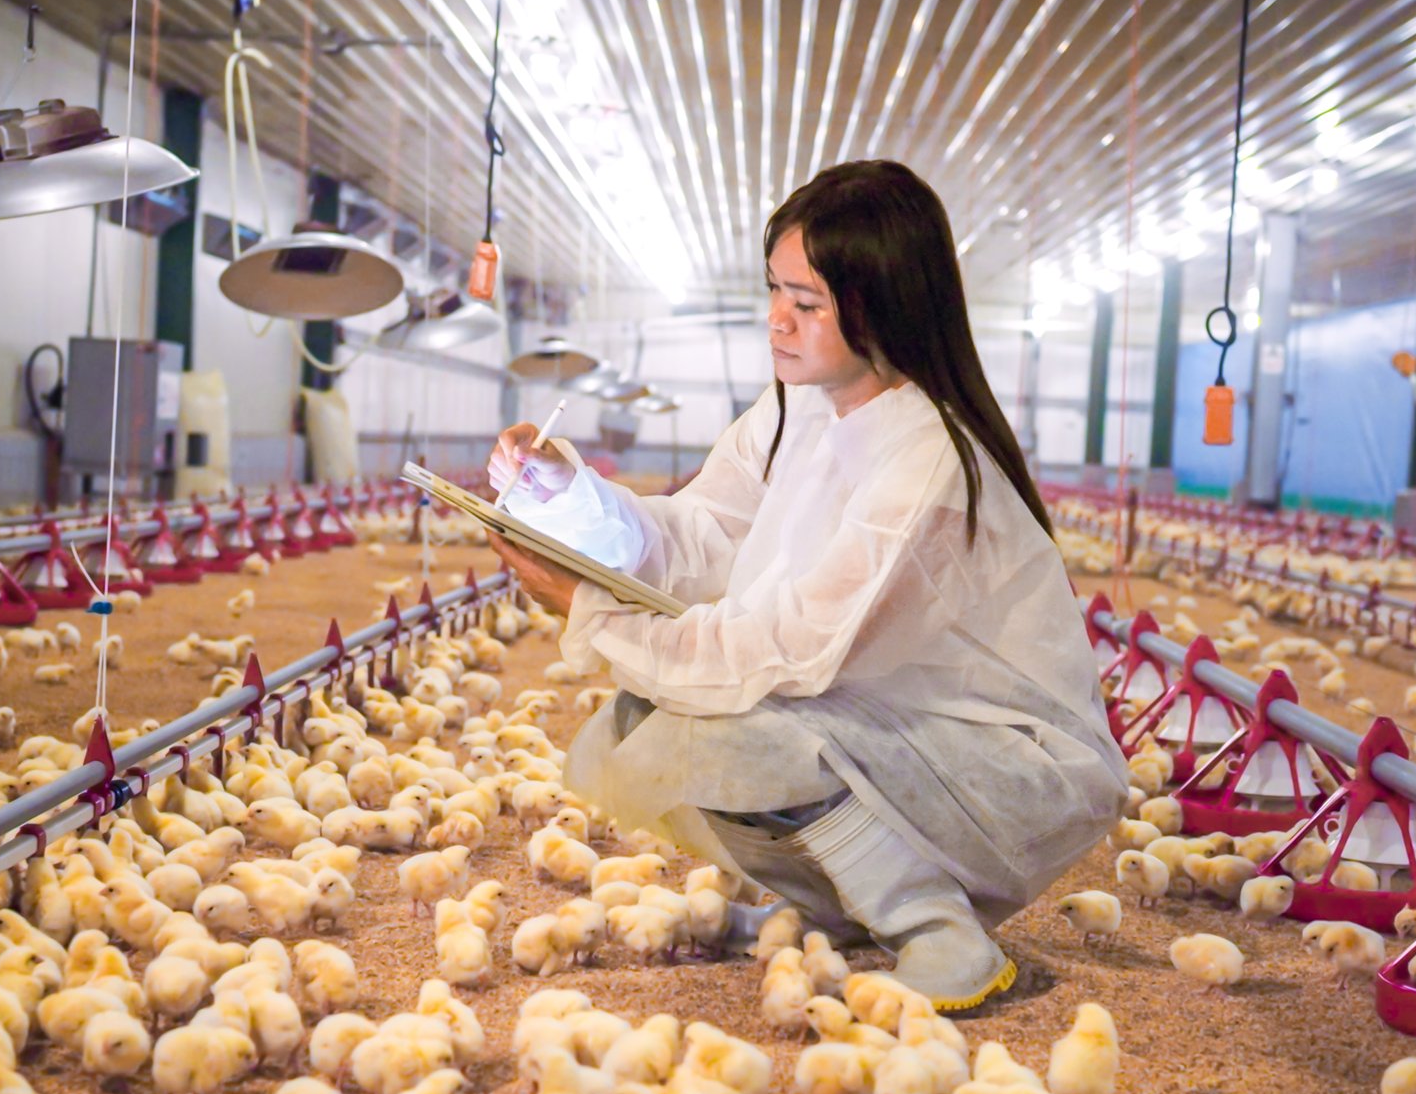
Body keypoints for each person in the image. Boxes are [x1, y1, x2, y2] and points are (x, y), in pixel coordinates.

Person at [484, 159, 1129, 1010]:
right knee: (654, 713)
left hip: (1001, 762)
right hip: (887, 724)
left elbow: (789, 650)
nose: (777, 322)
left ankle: (938, 929)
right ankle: (836, 906)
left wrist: (588, 611)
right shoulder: (796, 409)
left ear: (883, 305)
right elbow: (699, 532)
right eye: (775, 291)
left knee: (732, 724)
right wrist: (563, 495)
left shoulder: (929, 457)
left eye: (807, 303)